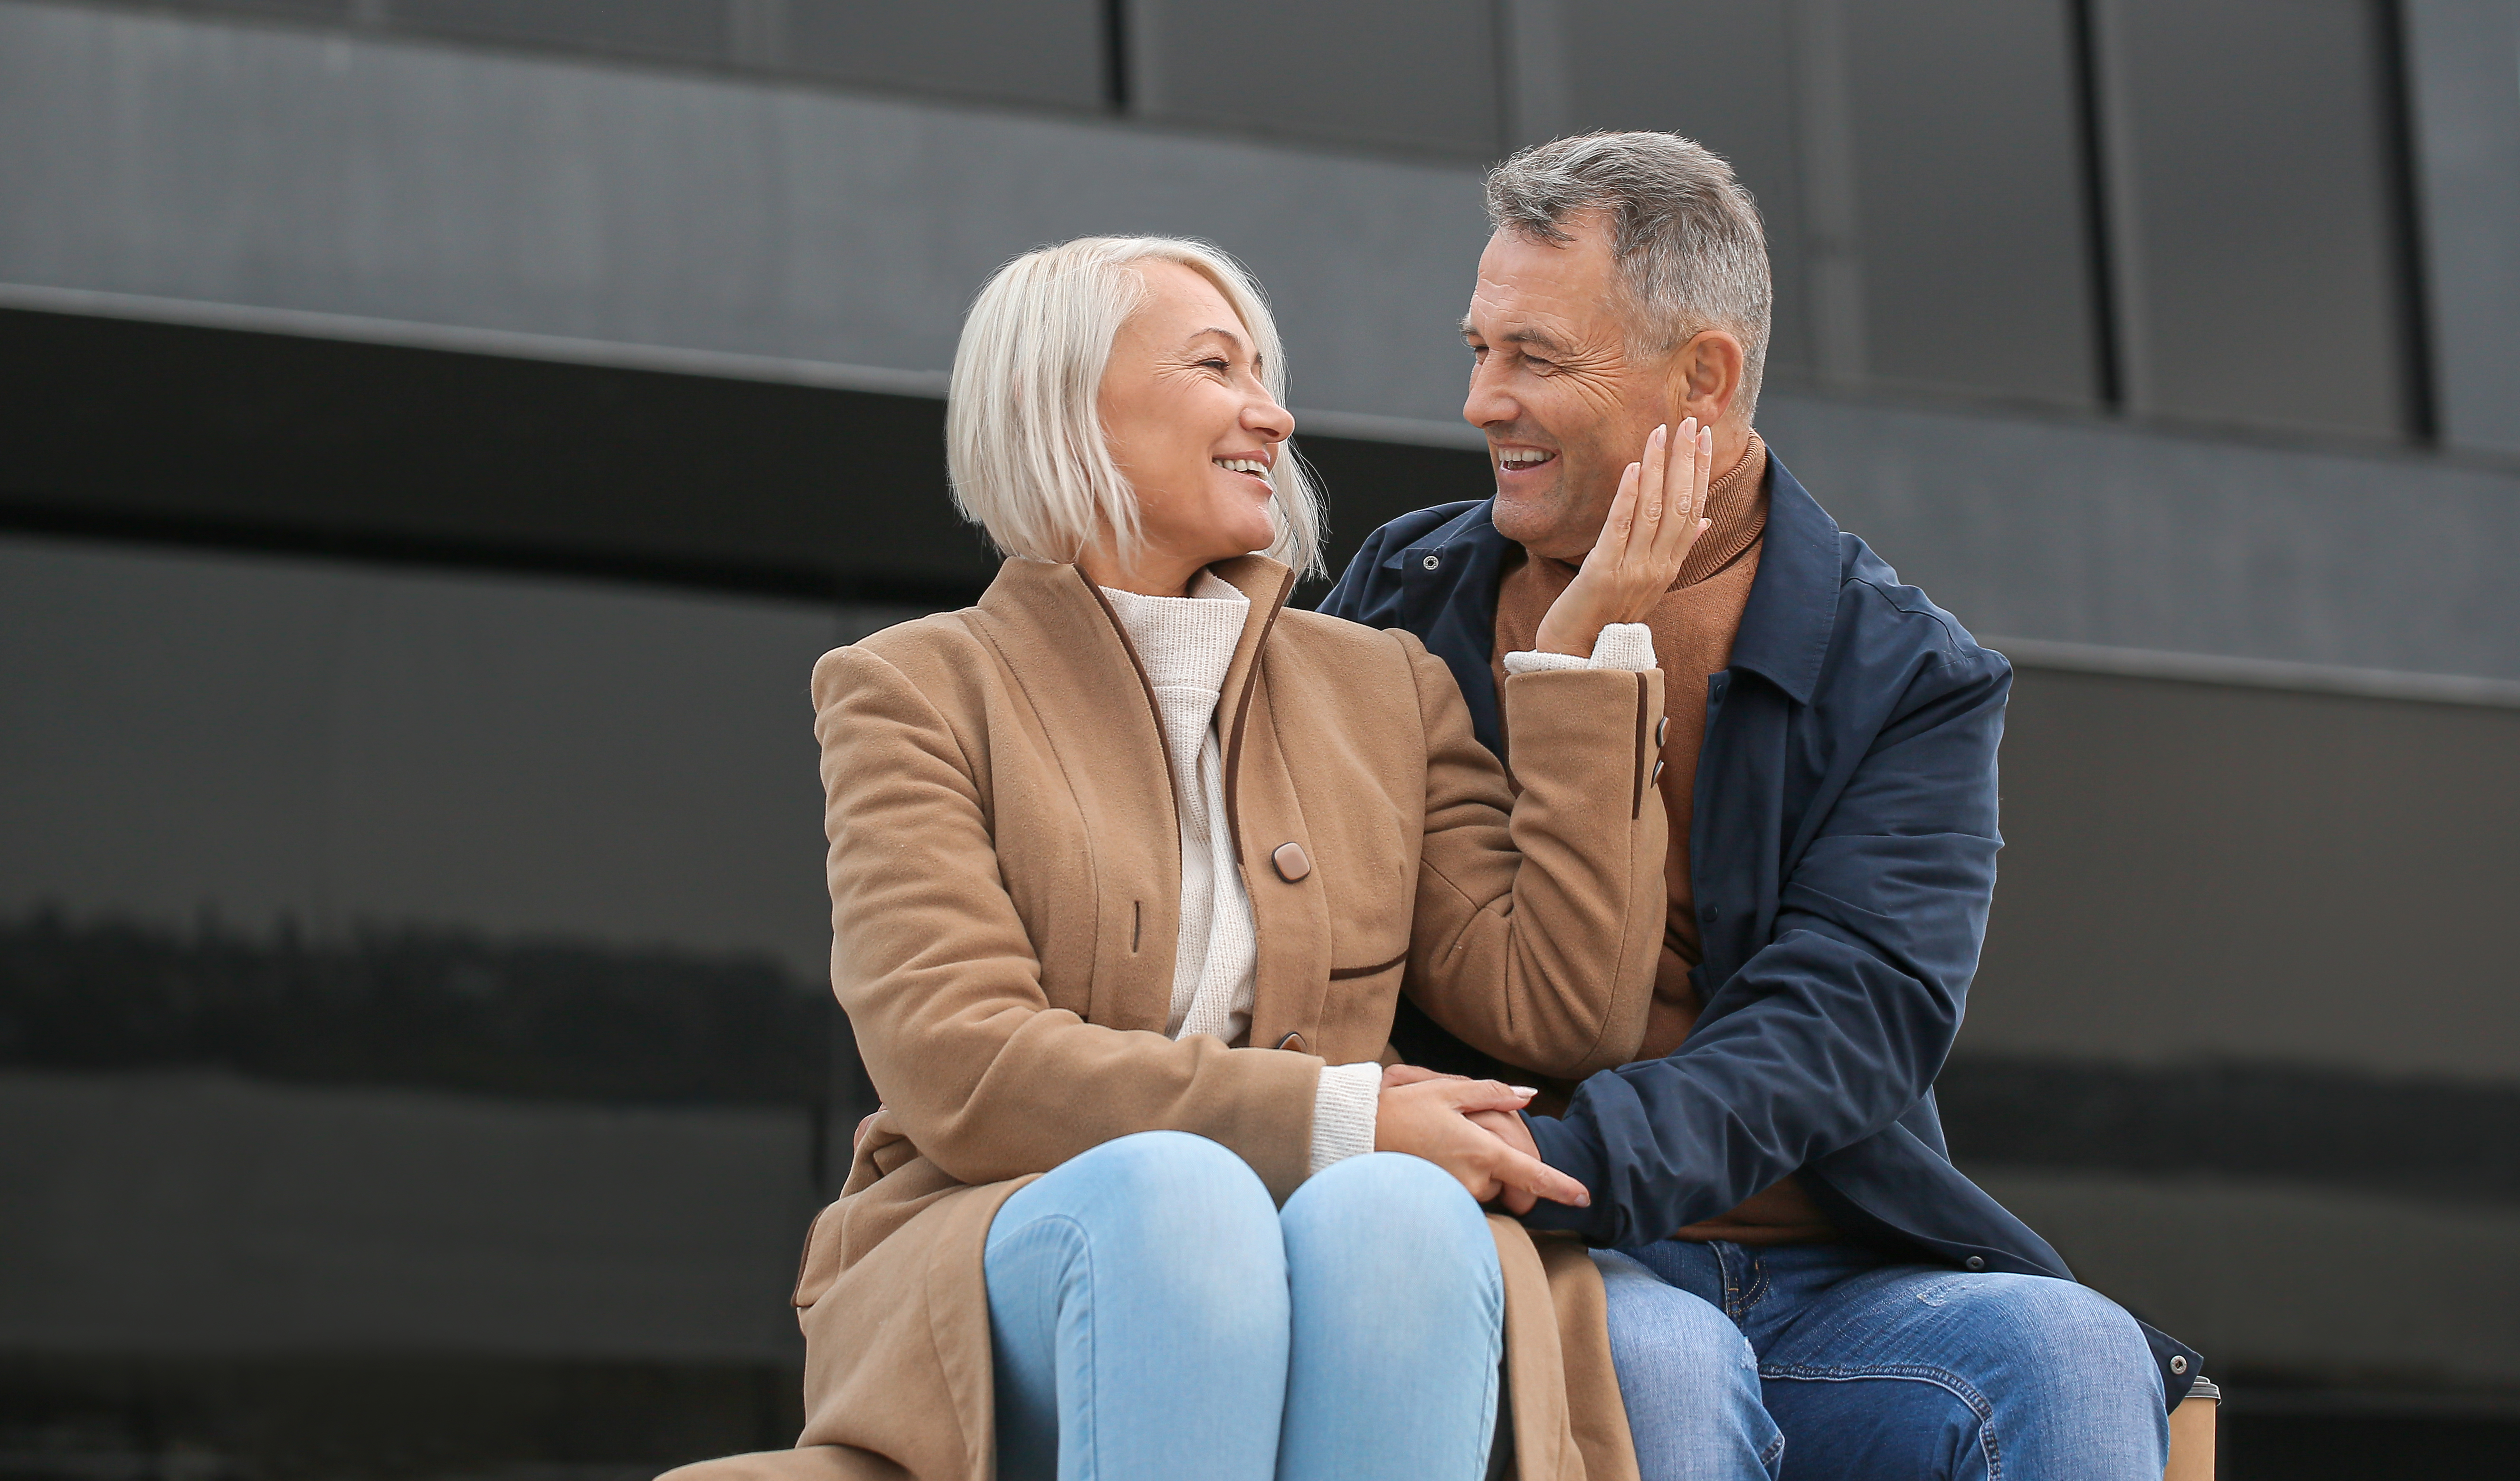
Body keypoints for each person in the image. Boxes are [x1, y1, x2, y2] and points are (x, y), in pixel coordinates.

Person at [668, 233, 1714, 1481]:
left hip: (1323, 1244)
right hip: (1010, 1249)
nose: (1271, 413)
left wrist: (1587, 655)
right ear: (1060, 404)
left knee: (1405, 1211)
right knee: (1181, 1197)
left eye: (1266, 373)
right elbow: (963, 1059)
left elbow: (1562, 1010)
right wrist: (1339, 1114)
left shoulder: (1384, 685)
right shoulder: (909, 686)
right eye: (1218, 366)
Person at [1320, 133, 2199, 1481]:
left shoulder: (1905, 671)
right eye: (1479, 348)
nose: (1480, 401)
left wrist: (1559, 1154)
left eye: (1535, 357)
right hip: (1523, 1259)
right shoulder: (1407, 590)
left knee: (2074, 1349)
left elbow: (1854, 1017)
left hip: (1818, 1275)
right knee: (1659, 1363)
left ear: (1705, 376)